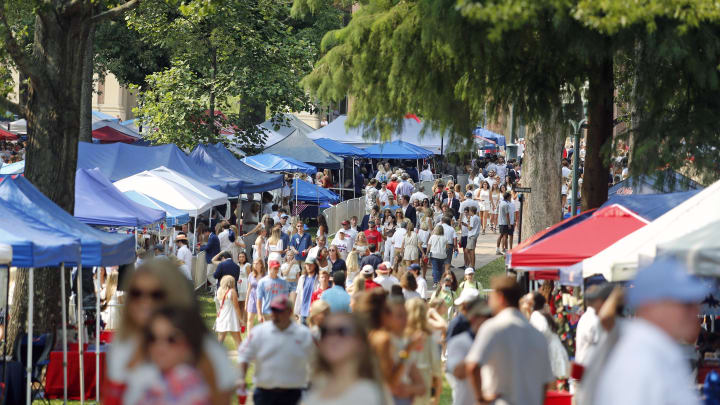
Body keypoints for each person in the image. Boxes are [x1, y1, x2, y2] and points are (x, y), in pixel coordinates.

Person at [107, 260, 237, 405]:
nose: (145, 301)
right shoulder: (123, 342)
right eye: (137, 293)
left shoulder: (205, 348)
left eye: (156, 294)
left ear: (174, 294)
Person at [593, 258, 709, 405]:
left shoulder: (653, 352)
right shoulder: (638, 361)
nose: (696, 311)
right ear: (653, 306)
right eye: (686, 303)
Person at [465, 276, 553, 405]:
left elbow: (472, 366)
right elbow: (545, 382)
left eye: (491, 296)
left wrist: (480, 399)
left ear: (500, 297)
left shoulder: (493, 328)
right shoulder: (537, 335)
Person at [238, 296, 314, 405]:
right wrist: (241, 378)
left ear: (289, 312)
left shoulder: (303, 334)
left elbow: (316, 359)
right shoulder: (259, 332)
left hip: (292, 394)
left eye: (279, 311)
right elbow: (244, 355)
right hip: (264, 393)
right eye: (273, 310)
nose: (274, 314)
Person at [302, 313, 389, 405]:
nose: (332, 338)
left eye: (342, 331)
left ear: (360, 341)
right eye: (325, 331)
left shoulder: (368, 393)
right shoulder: (319, 385)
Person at [358, 290, 426, 405]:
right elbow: (392, 382)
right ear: (382, 315)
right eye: (399, 315)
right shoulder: (382, 340)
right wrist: (408, 349)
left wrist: (409, 389)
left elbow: (421, 386)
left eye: (406, 315)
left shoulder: (397, 341)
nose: (405, 320)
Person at [132, 307, 212, 405]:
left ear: (189, 344)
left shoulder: (185, 386)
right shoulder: (157, 379)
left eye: (171, 339)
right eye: (152, 338)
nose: (160, 347)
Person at [446, 299, 492, 405]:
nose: (489, 320)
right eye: (485, 316)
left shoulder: (497, 340)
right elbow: (458, 372)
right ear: (473, 318)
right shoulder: (459, 342)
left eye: (491, 316)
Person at [405, 298, 442, 405]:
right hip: (424, 381)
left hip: (404, 381)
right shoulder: (428, 337)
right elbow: (436, 367)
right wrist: (436, 396)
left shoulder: (401, 335)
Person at [528, 293, 570, 384]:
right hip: (554, 349)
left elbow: (542, 330)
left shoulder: (536, 315)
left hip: (550, 352)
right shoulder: (543, 313)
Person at [575, 283, 613, 367]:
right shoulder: (594, 320)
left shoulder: (585, 317)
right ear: (598, 301)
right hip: (589, 367)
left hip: (582, 365)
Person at [214, 275, 244, 348]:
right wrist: (241, 320)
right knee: (238, 339)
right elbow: (236, 307)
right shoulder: (232, 292)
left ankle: (216, 355)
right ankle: (243, 355)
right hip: (231, 316)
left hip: (222, 315)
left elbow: (218, 304)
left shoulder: (219, 290)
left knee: (220, 339)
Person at [294, 256, 321, 323]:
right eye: (307, 264)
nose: (309, 266)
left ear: (315, 266)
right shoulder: (302, 278)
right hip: (303, 312)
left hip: (314, 312)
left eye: (311, 265)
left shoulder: (319, 279)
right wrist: (295, 311)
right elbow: (298, 295)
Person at [245, 259, 265, 333]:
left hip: (262, 299)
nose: (255, 265)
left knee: (262, 320)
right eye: (254, 264)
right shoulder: (251, 275)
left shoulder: (265, 275)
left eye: (257, 263)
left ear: (261, 265)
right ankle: (249, 339)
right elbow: (248, 289)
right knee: (249, 319)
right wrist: (246, 303)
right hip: (252, 298)